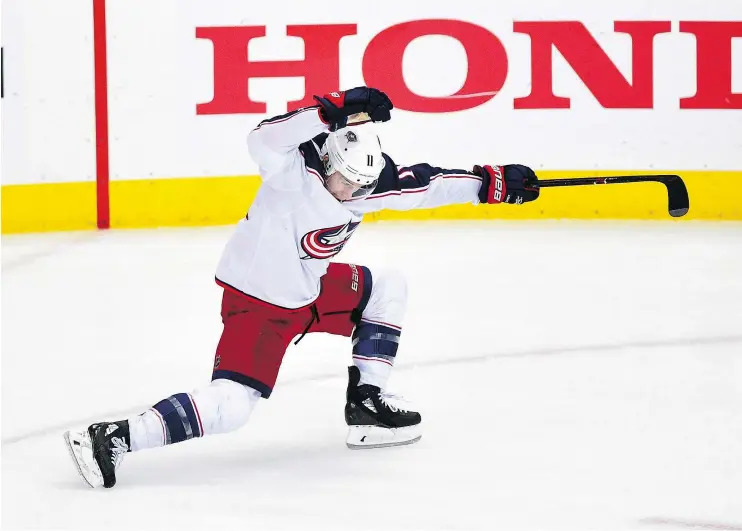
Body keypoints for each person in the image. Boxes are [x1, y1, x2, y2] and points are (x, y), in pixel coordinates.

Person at [63, 86, 540, 488]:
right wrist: (327, 110)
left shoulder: (364, 184)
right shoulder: (292, 171)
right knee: (232, 407)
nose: (353, 194)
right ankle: (114, 437)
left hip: (310, 291)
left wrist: (490, 184)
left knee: (388, 286)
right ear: (329, 155)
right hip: (259, 307)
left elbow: (427, 184)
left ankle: (366, 405)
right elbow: (263, 139)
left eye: (361, 186)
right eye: (346, 182)